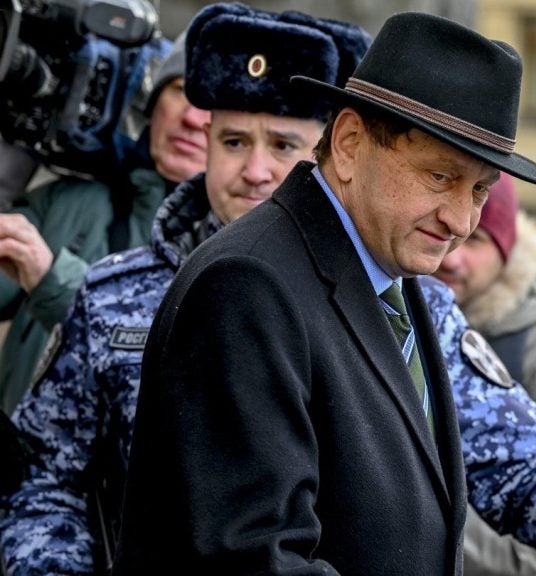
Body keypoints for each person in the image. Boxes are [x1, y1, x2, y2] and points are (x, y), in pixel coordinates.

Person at [114, 11, 536, 575]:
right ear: (349, 143)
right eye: (440, 176)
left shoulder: (399, 280)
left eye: (479, 190)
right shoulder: (248, 287)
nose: (460, 220)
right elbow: (253, 557)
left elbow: (512, 451)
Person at [0, 6, 371, 575]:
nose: (255, 170)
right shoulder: (110, 293)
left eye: (282, 145)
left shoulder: (393, 307)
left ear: (333, 153)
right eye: (233, 141)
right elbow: (45, 476)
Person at [0, 33, 209, 414]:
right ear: (152, 103)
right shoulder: (68, 200)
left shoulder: (236, 249)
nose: (192, 118)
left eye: (213, 103)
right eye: (181, 90)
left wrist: (52, 280)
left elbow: (174, 370)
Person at [435, 173, 536, 576]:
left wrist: (418, 515)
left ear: (508, 251)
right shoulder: (387, 316)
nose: (452, 258)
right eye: (446, 235)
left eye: (475, 239)